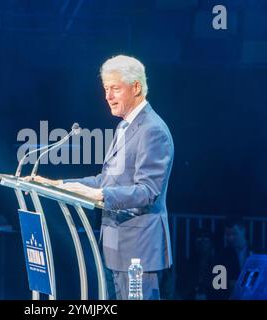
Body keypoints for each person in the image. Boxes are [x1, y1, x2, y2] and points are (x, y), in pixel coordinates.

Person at [28, 55, 174, 300]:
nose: (108, 96)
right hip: (113, 245)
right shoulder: (124, 126)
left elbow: (148, 191)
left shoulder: (153, 130)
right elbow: (106, 180)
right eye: (106, 89)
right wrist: (61, 185)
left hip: (138, 247)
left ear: (136, 87)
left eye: (115, 89)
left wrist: (102, 195)